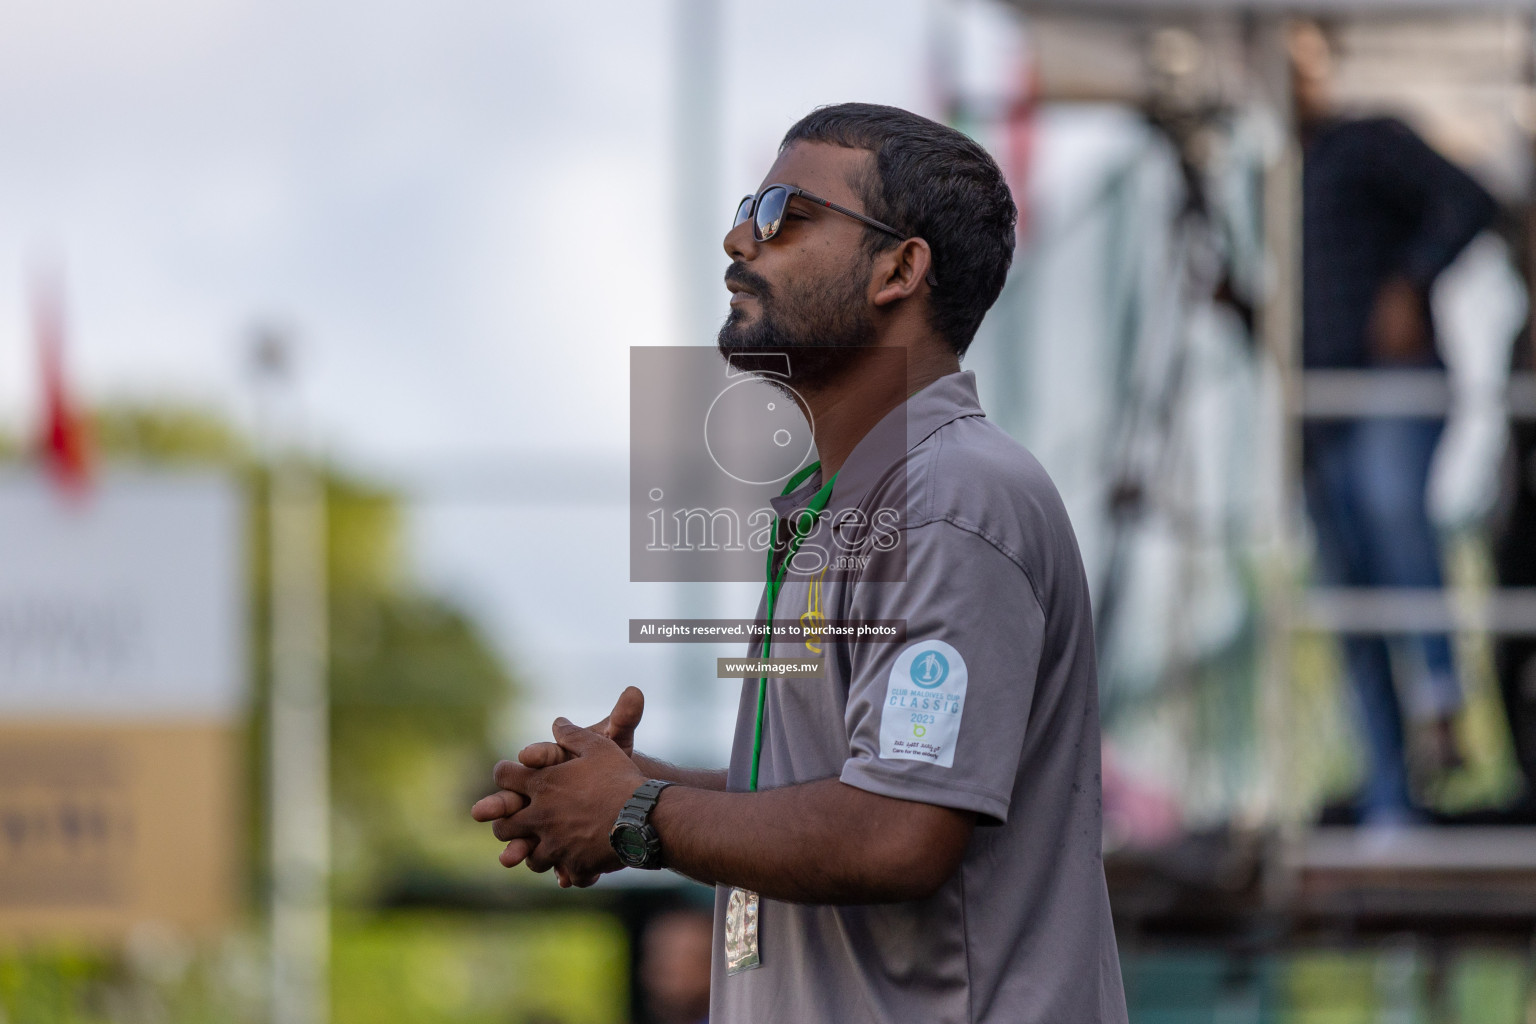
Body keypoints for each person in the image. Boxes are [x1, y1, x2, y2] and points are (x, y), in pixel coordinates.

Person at [472, 103, 1128, 1024]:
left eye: (787, 212)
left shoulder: (949, 501)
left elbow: (899, 833)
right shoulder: (842, 503)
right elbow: (847, 793)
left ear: (900, 268)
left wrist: (639, 811)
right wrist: (632, 793)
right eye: (751, 203)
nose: (742, 235)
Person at [1290, 22, 1497, 825]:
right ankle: (1390, 796)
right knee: (1350, 594)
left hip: (1390, 383)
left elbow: (1472, 198)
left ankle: (1441, 702)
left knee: (1391, 505)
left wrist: (1410, 281)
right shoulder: (1275, 175)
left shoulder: (1369, 141)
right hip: (1319, 409)